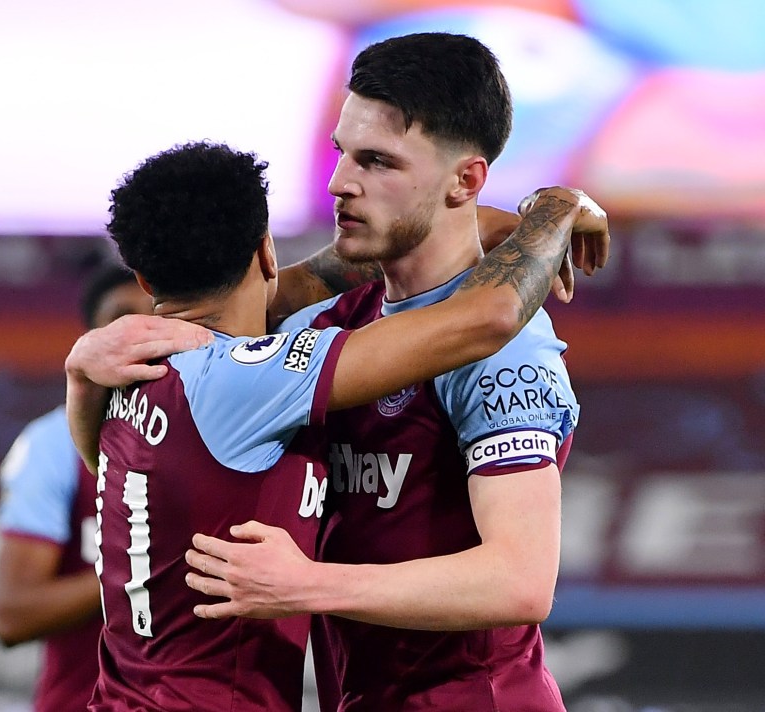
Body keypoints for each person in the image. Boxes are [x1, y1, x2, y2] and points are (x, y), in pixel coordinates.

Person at [63, 139, 607, 711]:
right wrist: (557, 209)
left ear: (144, 281)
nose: (341, 179)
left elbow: (106, 469)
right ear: (267, 252)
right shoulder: (250, 378)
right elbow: (484, 317)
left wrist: (79, 377)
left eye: (373, 160)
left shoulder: (129, 376)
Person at [179, 32, 602, 711]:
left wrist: (306, 585)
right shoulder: (326, 325)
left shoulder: (506, 352)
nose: (340, 182)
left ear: (465, 180)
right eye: (343, 151)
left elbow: (520, 580)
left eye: (376, 161)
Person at [0, 264, 154, 712]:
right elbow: (13, 613)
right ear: (89, 339)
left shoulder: (221, 425)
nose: (140, 333)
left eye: (155, 315)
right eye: (121, 318)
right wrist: (144, 566)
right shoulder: (52, 444)